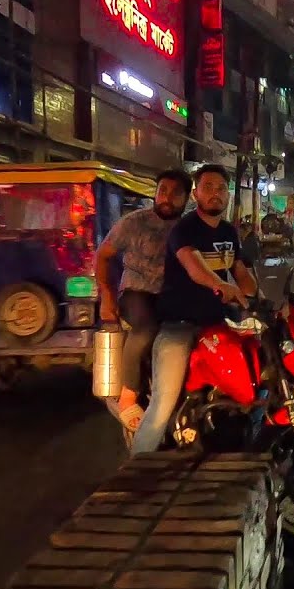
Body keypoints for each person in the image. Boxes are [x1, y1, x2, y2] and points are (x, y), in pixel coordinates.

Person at [135, 164, 258, 456]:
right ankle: (132, 478)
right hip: (180, 324)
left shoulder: (229, 232)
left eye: (221, 189)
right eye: (208, 187)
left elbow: (242, 274)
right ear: (196, 193)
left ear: (227, 195)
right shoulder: (185, 229)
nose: (215, 194)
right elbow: (196, 269)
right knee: (162, 407)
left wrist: (261, 297)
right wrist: (224, 288)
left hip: (217, 322)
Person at [94, 168, 192, 448]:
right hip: (137, 292)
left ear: (186, 198)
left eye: (175, 193)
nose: (167, 198)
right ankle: (128, 393)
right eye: (163, 190)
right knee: (147, 327)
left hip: (172, 296)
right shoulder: (133, 223)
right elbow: (103, 256)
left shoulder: (187, 228)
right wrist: (108, 297)